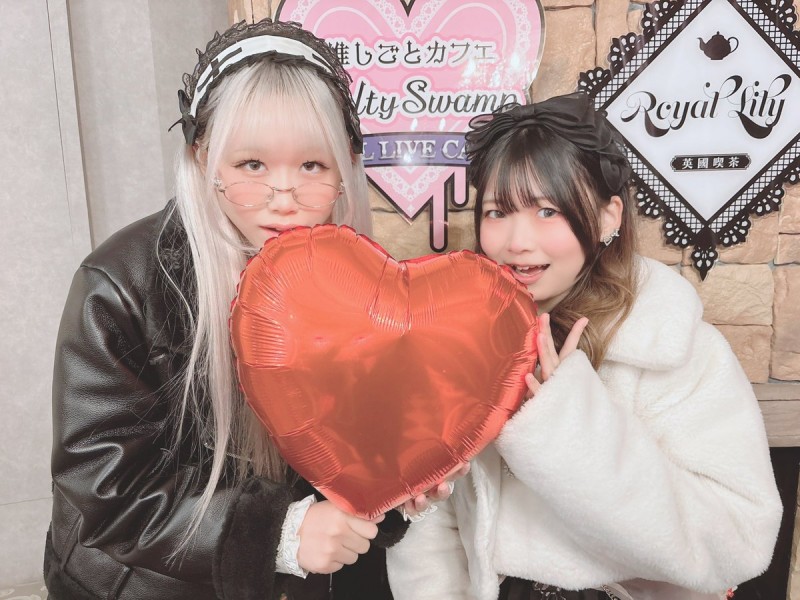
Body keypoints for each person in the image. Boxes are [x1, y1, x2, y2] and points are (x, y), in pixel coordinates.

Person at [44, 17, 450, 600]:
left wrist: (396, 483)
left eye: (312, 166)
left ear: (344, 170)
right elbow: (106, 489)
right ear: (202, 157)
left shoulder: (354, 284)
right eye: (252, 165)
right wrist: (278, 534)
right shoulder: (121, 285)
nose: (283, 199)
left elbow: (350, 458)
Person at [386, 92, 783, 600]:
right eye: (498, 211)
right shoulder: (460, 339)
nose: (516, 241)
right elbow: (434, 534)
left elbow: (739, 543)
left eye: (547, 210)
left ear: (607, 217)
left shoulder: (669, 346)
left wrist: (567, 423)